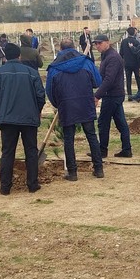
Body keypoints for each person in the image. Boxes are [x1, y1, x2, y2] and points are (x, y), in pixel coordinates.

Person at [0, 43, 46, 195]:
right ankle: (32, 185)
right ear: (19, 55)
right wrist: (37, 110)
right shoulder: (32, 73)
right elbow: (41, 95)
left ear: (5, 56)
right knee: (31, 152)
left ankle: (5, 187)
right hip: (29, 118)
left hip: (7, 120)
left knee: (7, 152)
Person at [48, 39, 104, 180]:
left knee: (68, 139)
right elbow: (97, 82)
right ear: (74, 47)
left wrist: (57, 104)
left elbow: (49, 90)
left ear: (60, 49)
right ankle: (98, 169)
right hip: (85, 103)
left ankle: (72, 173)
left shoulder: (54, 67)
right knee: (91, 136)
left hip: (66, 106)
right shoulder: (86, 62)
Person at [92, 34, 132, 158]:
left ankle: (102, 151)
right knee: (121, 123)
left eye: (100, 43)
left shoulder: (113, 57)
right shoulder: (106, 56)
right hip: (113, 94)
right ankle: (127, 149)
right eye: (96, 44)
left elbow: (109, 80)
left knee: (103, 122)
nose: (97, 46)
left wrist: (97, 96)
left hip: (112, 95)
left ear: (107, 42)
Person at [120, 27, 140, 100]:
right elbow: (138, 54)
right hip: (135, 63)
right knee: (138, 78)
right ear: (134, 33)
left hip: (127, 63)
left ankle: (129, 95)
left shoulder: (123, 42)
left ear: (127, 33)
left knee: (128, 79)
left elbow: (121, 53)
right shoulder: (136, 42)